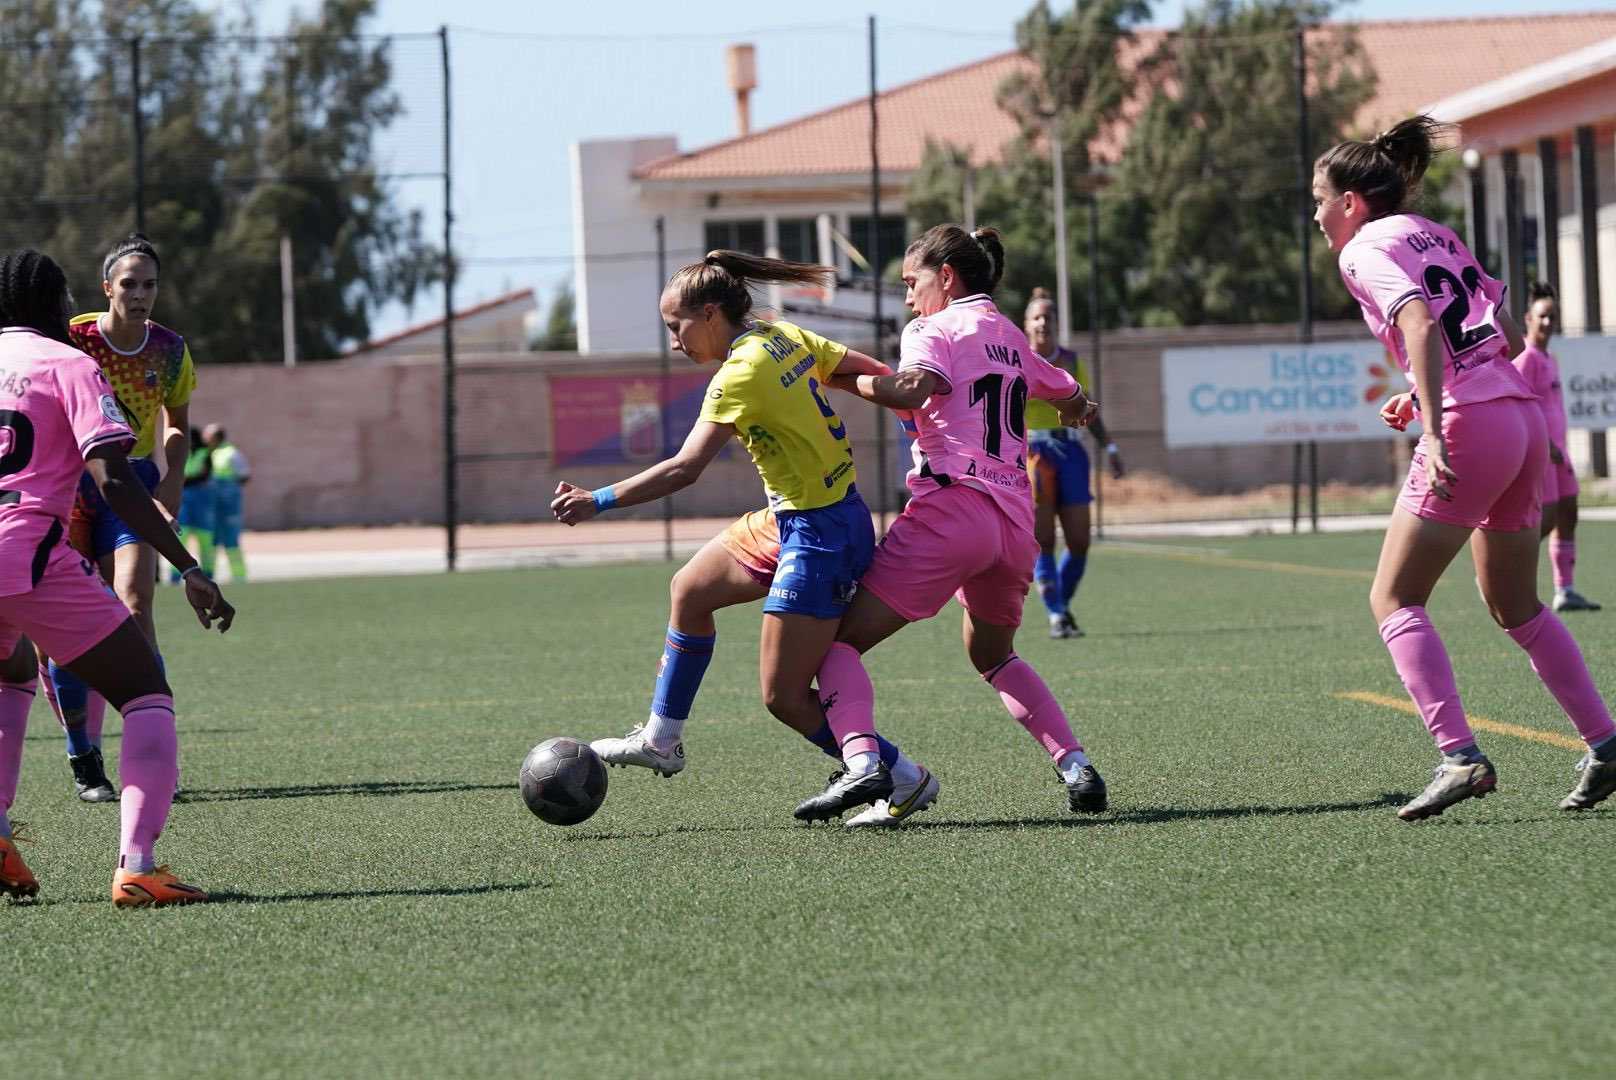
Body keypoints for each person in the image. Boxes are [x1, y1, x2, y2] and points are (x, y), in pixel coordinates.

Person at [1313, 116, 1616, 819]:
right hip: (1520, 418)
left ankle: (1459, 756)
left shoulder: (1360, 250)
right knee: (1516, 605)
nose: (1318, 216)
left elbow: (1419, 321)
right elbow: (1500, 335)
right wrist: (1430, 391)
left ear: (1351, 202)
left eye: (1320, 201)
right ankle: (1606, 741)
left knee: (1394, 598)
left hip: (1471, 425)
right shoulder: (1435, 233)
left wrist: (1435, 421)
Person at [551, 250, 931, 807]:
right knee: (690, 590)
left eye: (676, 327)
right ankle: (662, 739)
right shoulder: (783, 335)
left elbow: (684, 469)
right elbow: (866, 370)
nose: (674, 342)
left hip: (819, 536)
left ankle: (902, 776)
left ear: (710, 314)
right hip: (803, 516)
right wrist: (906, 404)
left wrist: (597, 500)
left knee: (784, 698)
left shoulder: (739, 374)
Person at [799, 225, 1107, 827]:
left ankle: (862, 763)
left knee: (835, 644)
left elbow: (916, 387)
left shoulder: (931, 329)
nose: (908, 299)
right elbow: (1070, 394)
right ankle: (1076, 765)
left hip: (952, 512)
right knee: (992, 653)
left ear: (945, 276)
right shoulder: (1008, 334)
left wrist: (836, 378)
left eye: (911, 283)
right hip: (1013, 526)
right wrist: (1077, 410)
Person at [0, 248, 233, 905]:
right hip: (31, 553)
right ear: (54, 304)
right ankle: (138, 865)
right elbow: (116, 481)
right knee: (145, 691)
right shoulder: (67, 362)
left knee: (11, 674)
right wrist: (188, 565)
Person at [37, 233, 197, 804]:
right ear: (107, 287)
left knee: (134, 600)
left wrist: (172, 478)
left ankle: (153, 753)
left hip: (131, 484)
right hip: (70, 486)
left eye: (149, 284)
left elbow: (177, 424)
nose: (140, 294)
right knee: (61, 633)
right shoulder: (72, 338)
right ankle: (83, 754)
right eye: (129, 283)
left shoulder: (170, 350)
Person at [1022, 287, 1124, 639]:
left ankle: (1060, 607)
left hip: (1070, 451)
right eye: (1036, 317)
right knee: (1044, 539)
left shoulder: (1070, 360)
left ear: (1056, 323)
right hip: (1033, 454)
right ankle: (1056, 615)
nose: (1042, 323)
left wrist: (1110, 447)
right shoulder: (1015, 360)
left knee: (1079, 540)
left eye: (1048, 317)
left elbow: (1086, 407)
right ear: (1026, 324)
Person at [1514, 282, 1600, 613]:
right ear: (1528, 318)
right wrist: (1544, 443)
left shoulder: (1549, 358)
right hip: (1542, 451)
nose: (1548, 322)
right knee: (1545, 520)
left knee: (1568, 512)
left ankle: (1565, 590)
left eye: (1552, 316)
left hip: (1558, 451)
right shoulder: (1526, 358)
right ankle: (1498, 567)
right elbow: (1520, 405)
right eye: (1542, 316)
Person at [203, 423, 249, 581]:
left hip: (229, 506)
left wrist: (228, 490)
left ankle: (239, 576)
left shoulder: (231, 453)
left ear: (216, 437)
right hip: (211, 505)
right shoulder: (206, 453)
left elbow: (244, 475)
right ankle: (208, 575)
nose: (204, 439)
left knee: (231, 541)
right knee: (211, 540)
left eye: (207, 436)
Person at [170, 424, 216, 584]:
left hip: (200, 496)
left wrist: (185, 480)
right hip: (184, 496)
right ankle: (176, 575)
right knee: (180, 536)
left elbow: (205, 475)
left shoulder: (205, 453)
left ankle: (208, 573)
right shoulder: (182, 453)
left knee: (205, 537)